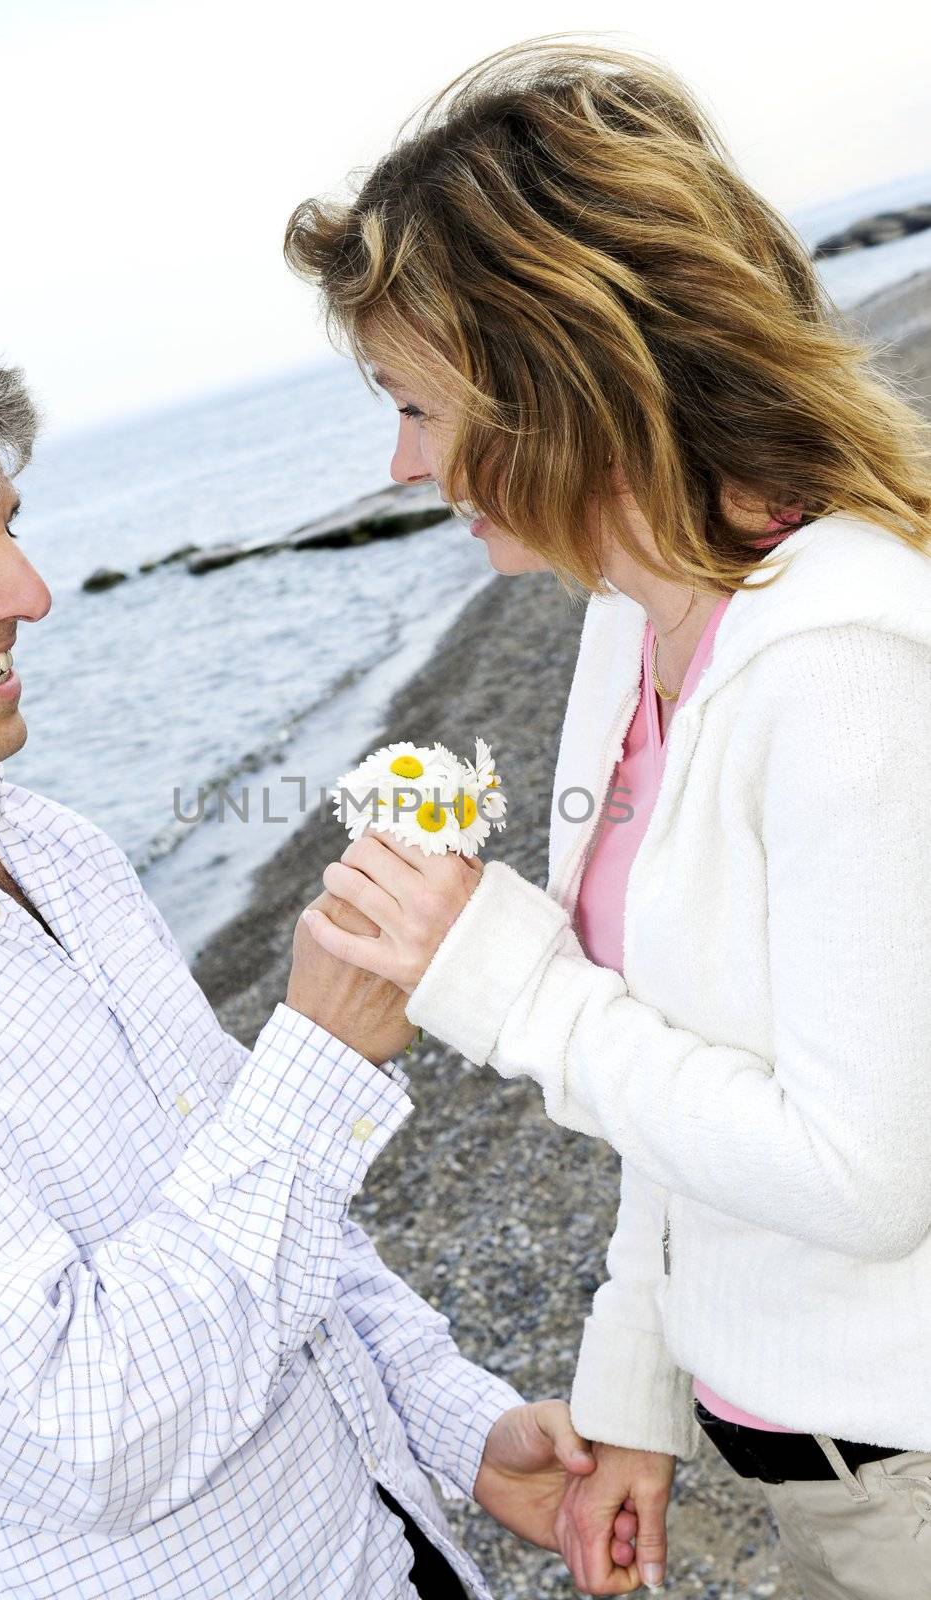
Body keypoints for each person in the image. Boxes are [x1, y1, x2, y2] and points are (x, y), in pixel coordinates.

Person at [286, 34, 931, 1600]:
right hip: (798, 1468)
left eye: (420, 404)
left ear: (557, 384)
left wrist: (504, 984)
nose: (404, 462)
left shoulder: (848, 669)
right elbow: (671, 1063)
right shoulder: (628, 622)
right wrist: (636, 1395)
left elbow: (867, 1176)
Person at [0, 294, 612, 1600]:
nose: (31, 593)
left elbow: (256, 1209)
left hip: (387, 1549)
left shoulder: (56, 846)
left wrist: (452, 1417)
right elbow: (91, 1425)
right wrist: (317, 1055)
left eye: (13, 532)